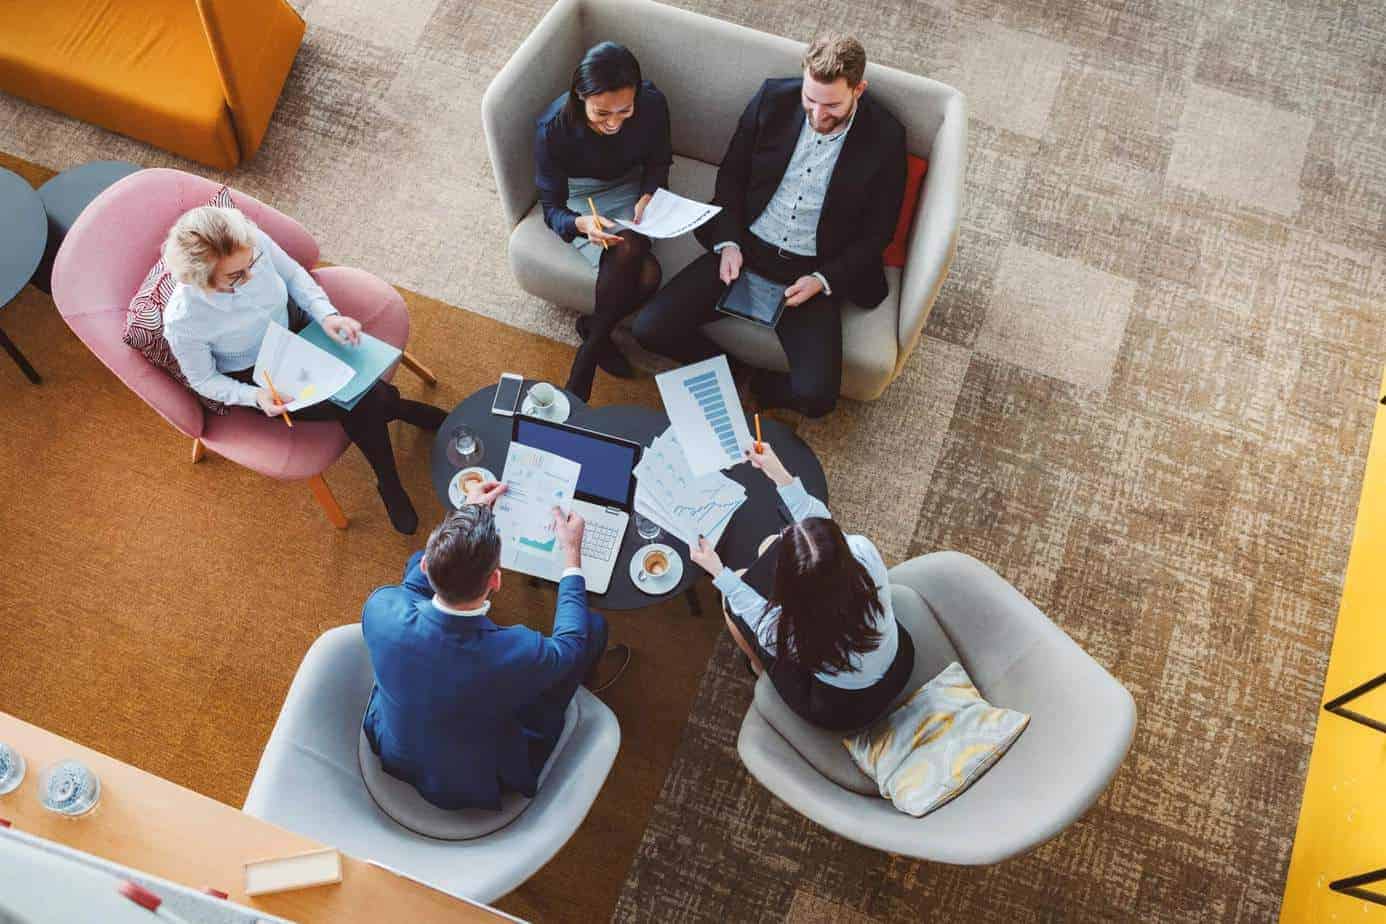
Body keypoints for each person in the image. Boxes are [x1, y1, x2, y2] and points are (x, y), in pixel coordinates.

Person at [633, 34, 906, 418]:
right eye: (810, 100)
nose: (816, 116)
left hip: (811, 270)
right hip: (746, 246)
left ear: (858, 89)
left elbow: (878, 232)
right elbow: (731, 178)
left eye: (831, 106)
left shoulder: (886, 137)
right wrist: (728, 242)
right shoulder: (771, 98)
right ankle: (726, 366)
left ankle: (763, 386)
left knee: (817, 399)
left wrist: (823, 280)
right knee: (649, 329)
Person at [161, 205, 446, 534]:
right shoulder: (184, 321)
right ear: (202, 282)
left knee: (363, 397)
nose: (251, 276)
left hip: (296, 327)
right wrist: (255, 396)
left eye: (251, 263)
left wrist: (326, 316)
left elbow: (294, 276)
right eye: (236, 277)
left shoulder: (249, 242)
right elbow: (203, 379)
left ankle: (396, 425)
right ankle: (390, 466)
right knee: (363, 400)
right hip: (258, 372)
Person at [360, 482, 630, 811]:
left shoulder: (381, 607)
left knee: (412, 561)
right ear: (496, 581)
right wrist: (572, 556)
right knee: (592, 628)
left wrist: (467, 518)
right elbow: (570, 645)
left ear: (428, 567)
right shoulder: (517, 651)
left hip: (397, 750)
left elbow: (412, 585)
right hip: (477, 781)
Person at [688, 443, 913, 731]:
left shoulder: (784, 631)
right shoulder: (862, 552)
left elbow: (748, 607)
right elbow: (819, 520)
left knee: (731, 605)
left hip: (844, 708)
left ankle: (758, 668)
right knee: (766, 546)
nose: (782, 532)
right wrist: (778, 473)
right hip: (901, 660)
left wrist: (718, 571)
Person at [535, 41, 672, 401]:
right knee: (646, 272)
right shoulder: (553, 128)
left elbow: (659, 162)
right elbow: (550, 207)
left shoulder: (653, 104)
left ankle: (591, 341)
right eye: (601, 113)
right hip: (583, 196)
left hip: (630, 185)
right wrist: (581, 224)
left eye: (624, 111)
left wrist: (649, 194)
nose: (613, 123)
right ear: (580, 96)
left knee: (642, 263)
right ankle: (593, 348)